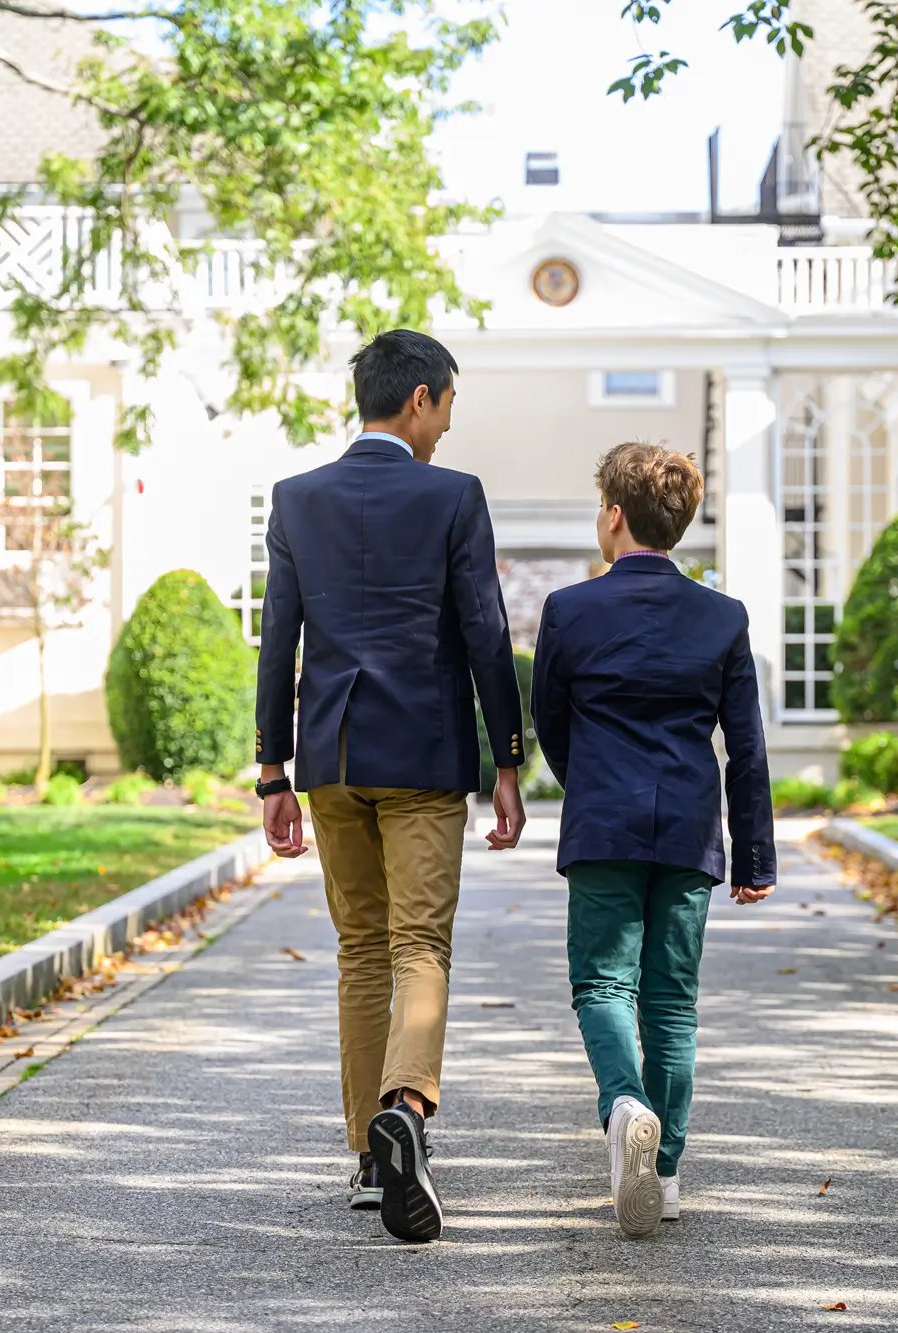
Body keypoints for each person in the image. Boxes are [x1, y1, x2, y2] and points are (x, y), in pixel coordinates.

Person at [254, 328, 528, 1245]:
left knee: (360, 951)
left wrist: (271, 770)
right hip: (422, 756)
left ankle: (370, 1159)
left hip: (329, 757)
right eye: (447, 406)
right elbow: (486, 633)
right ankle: (405, 1109)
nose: (448, 427)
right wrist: (508, 759)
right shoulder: (453, 497)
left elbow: (277, 638)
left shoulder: (298, 499)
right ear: (419, 399)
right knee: (419, 944)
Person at [531, 442, 775, 1239]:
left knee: (603, 985)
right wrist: (756, 857)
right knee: (673, 1002)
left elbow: (552, 728)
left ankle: (622, 1103)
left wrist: (589, 784)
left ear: (613, 514)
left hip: (603, 818)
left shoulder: (570, 611)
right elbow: (746, 746)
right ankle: (663, 1174)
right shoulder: (722, 616)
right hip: (690, 827)